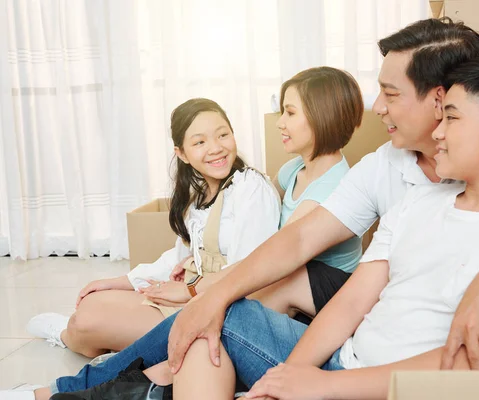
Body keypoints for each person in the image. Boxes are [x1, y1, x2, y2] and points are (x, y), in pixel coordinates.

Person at [168, 51, 479, 400]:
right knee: (217, 314)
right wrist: (292, 379)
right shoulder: (419, 201)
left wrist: (326, 387)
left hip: (386, 388)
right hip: (342, 363)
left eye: (450, 118)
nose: (438, 131)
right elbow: (352, 302)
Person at [9, 66, 365, 400]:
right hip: (272, 291)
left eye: (289, 112)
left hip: (303, 302)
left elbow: (268, 261)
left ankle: (78, 386)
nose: (279, 123)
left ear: (322, 115)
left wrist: (193, 290)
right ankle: (114, 375)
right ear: (181, 153)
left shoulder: (332, 192)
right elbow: (234, 249)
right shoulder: (292, 171)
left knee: (202, 321)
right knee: (197, 322)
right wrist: (187, 280)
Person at [25, 98, 281, 358]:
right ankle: (107, 344)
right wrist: (120, 281)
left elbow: (249, 271)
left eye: (223, 135)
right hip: (199, 295)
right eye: (200, 142)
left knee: (85, 321)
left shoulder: (251, 188)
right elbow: (177, 257)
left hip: (226, 310)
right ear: (181, 153)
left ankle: (71, 338)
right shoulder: (201, 192)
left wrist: (188, 291)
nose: (216, 148)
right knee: (91, 303)